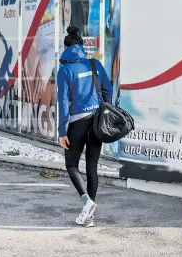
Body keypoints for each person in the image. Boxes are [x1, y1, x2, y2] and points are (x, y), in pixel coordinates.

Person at [57, 26, 113, 227]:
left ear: (65, 48)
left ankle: (87, 202)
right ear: (81, 45)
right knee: (92, 167)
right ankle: (89, 215)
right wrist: (104, 112)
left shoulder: (64, 70)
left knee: (71, 165)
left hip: (77, 123)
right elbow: (108, 90)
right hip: (97, 121)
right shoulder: (95, 63)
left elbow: (63, 104)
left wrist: (62, 131)